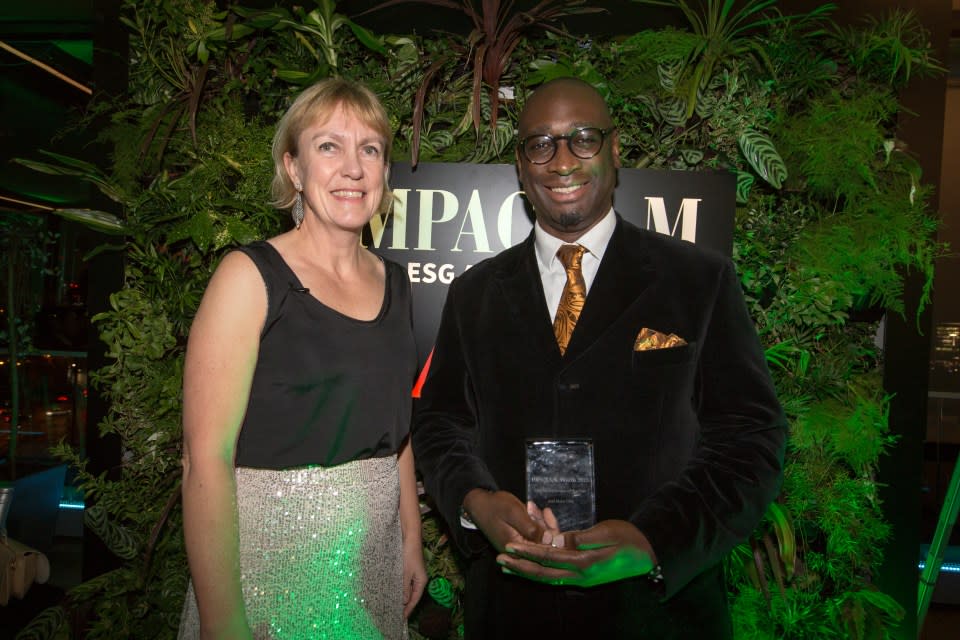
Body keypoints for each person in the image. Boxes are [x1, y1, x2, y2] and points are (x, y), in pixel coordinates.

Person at [412, 77, 786, 639]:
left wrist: (656, 540)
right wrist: (476, 501)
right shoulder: (474, 294)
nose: (562, 160)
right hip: (513, 613)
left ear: (614, 150)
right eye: (541, 143)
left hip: (657, 616)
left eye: (582, 138)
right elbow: (440, 424)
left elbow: (750, 437)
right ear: (521, 164)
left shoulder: (698, 281)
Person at [178, 77, 426, 640]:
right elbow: (204, 462)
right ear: (293, 169)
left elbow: (397, 432)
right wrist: (223, 623)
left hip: (373, 567)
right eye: (329, 146)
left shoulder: (397, 282)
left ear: (386, 171)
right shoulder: (249, 279)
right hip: (266, 571)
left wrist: (409, 539)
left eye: (370, 149)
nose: (353, 168)